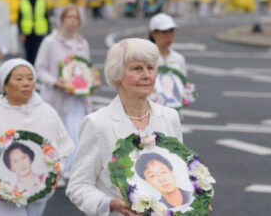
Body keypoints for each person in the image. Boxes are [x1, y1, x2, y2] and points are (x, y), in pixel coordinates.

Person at [66, 38, 184, 216]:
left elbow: (179, 173)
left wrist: (196, 198)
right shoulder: (97, 124)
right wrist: (110, 203)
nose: (146, 75)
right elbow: (78, 186)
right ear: (117, 75)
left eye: (150, 68)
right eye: (137, 69)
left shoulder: (170, 117)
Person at [0, 58, 74, 216]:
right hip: (2, 193)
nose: (26, 83)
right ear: (4, 85)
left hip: (40, 189)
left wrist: (55, 173)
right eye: (18, 79)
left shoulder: (47, 112)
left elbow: (61, 152)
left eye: (30, 79)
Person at [35, 5, 92, 180]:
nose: (72, 22)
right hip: (57, 98)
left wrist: (90, 83)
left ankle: (72, 171)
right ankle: (55, 171)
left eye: (76, 18)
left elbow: (86, 69)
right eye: (69, 18)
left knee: (76, 133)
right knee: (55, 134)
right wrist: (55, 82)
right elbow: (40, 68)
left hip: (77, 99)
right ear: (62, 20)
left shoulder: (82, 44)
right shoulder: (50, 42)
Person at [18, 0, 50, 65]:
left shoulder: (41, 1)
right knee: (28, 54)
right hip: (27, 32)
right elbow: (19, 18)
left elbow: (46, 16)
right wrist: (20, 32)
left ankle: (37, 70)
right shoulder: (23, 2)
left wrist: (48, 31)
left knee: (38, 52)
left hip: (39, 31)